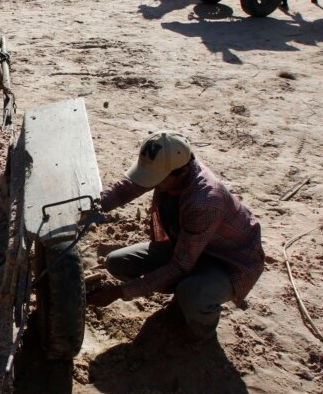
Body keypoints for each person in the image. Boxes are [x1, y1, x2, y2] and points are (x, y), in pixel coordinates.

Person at [86, 132, 265, 342]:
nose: (150, 182)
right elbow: (127, 188)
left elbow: (180, 266)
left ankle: (201, 333)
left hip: (229, 262)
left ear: (182, 172)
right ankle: (186, 295)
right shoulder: (171, 169)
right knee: (118, 262)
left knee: (194, 293)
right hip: (189, 246)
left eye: (155, 178)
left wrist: (119, 292)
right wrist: (89, 209)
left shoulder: (204, 201)